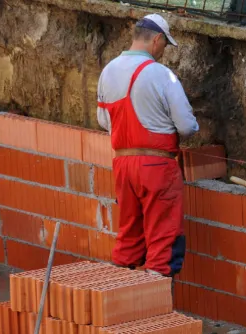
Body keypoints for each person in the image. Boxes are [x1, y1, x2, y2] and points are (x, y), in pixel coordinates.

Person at [96, 14, 200, 278]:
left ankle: (119, 300)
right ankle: (155, 308)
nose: (163, 52)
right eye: (164, 45)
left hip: (123, 165)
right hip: (156, 166)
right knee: (163, 240)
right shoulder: (162, 74)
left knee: (130, 236)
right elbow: (187, 126)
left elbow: (102, 120)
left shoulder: (108, 71)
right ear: (156, 40)